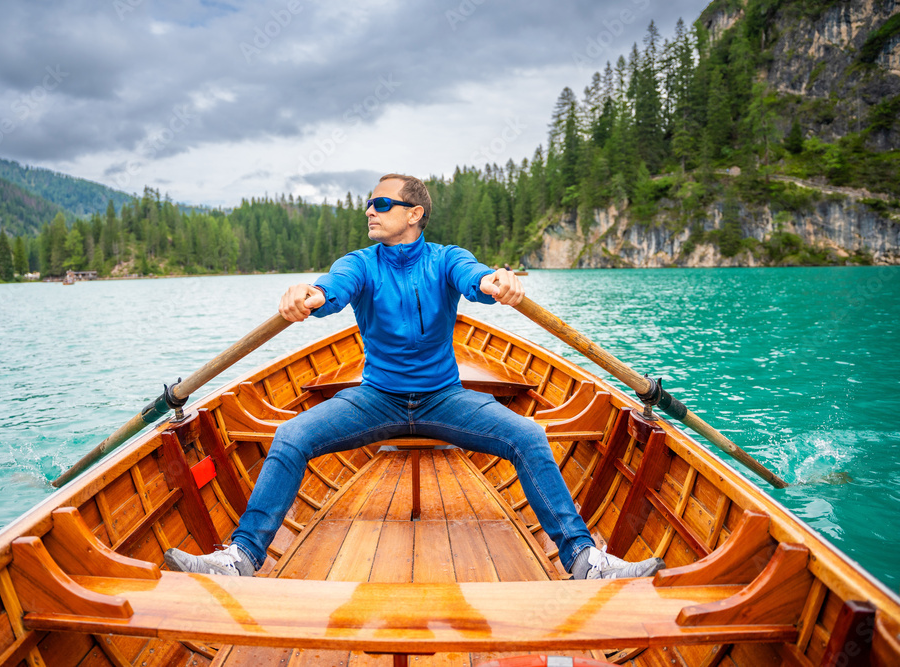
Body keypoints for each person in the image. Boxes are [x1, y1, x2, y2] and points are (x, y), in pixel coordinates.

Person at [164, 173, 665, 581]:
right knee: (292, 436)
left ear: (414, 213)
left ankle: (583, 559)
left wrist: (499, 283)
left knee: (529, 436)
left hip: (444, 399)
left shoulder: (445, 258)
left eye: (381, 203)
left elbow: (477, 279)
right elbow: (332, 290)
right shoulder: (359, 263)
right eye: (368, 204)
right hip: (375, 398)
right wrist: (307, 296)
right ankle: (242, 558)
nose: (369, 211)